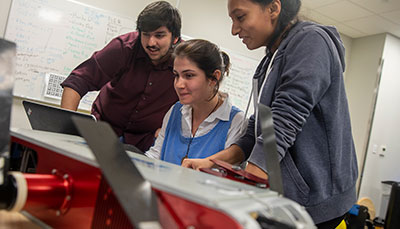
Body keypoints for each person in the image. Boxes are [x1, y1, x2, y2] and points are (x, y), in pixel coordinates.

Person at [181, 0, 358, 227]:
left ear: (273, 8)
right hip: (285, 197)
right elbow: (260, 126)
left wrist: (248, 187)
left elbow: (284, 120)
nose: (234, 29)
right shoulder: (269, 60)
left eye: (241, 17)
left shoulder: (312, 41)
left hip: (317, 203)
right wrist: (211, 162)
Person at [60, 1, 181, 152]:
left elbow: (194, 104)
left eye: (159, 35)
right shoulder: (124, 47)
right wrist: (64, 130)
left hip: (146, 142)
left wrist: (167, 130)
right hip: (104, 130)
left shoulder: (184, 61)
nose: (151, 42)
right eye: (145, 34)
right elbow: (78, 81)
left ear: (175, 38)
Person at [145, 39, 245, 165]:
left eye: (189, 76)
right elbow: (154, 156)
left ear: (214, 78)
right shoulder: (175, 111)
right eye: (176, 75)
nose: (179, 84)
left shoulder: (236, 122)